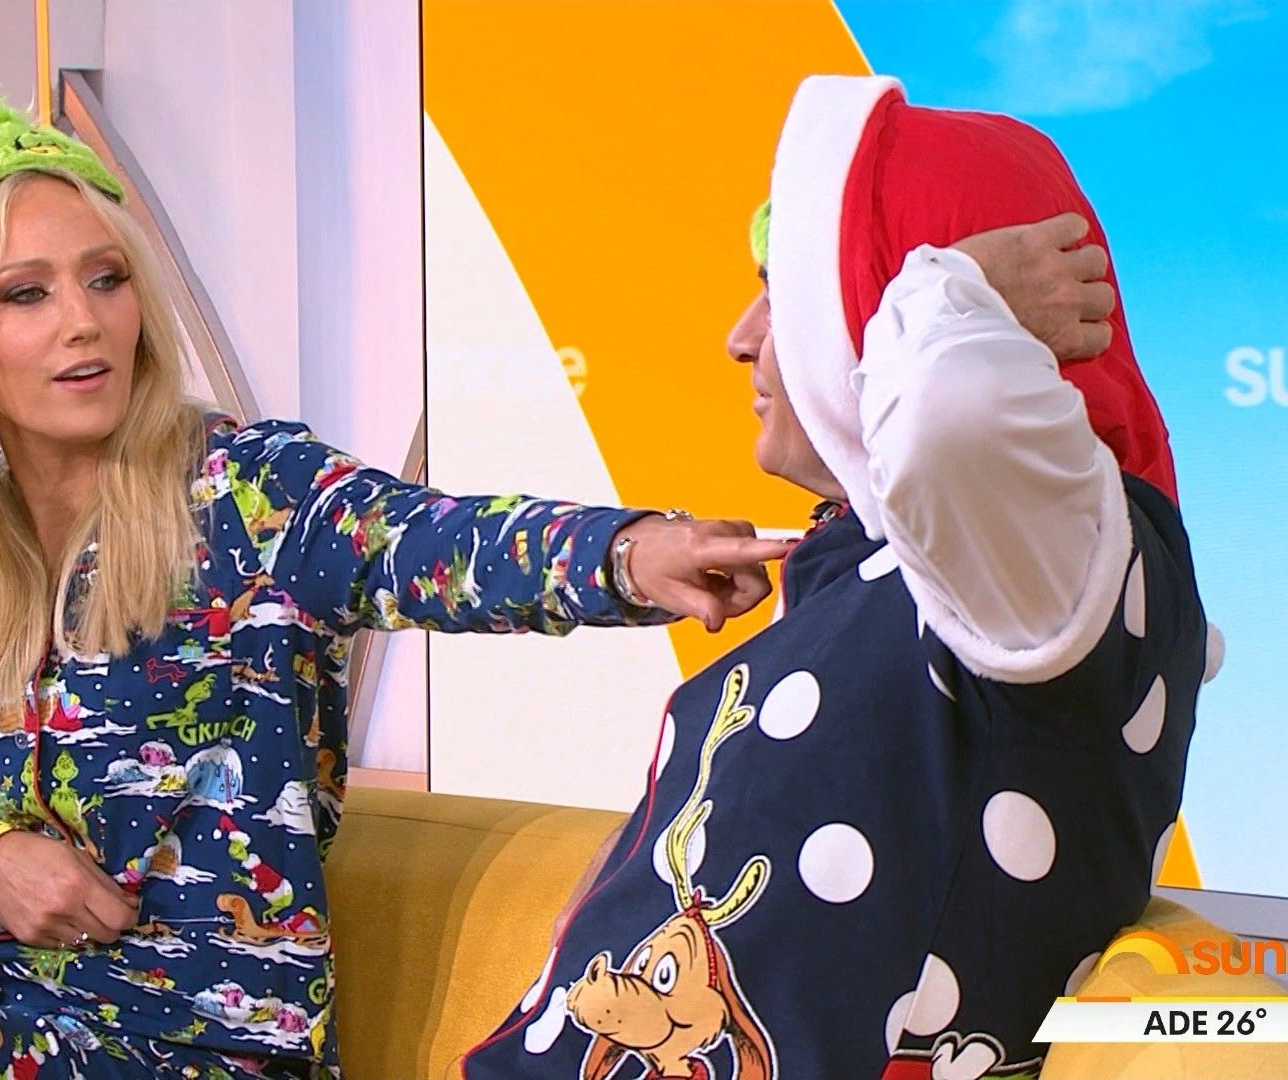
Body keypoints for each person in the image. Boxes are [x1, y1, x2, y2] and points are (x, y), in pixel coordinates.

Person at [0, 87, 795, 1080]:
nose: (84, 322)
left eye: (105, 278)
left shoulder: (248, 493)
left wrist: (632, 553)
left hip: (189, 1053)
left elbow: (432, 542)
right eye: (28, 295)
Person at [462, 74, 1208, 1080]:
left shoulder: (1051, 554)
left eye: (789, 295)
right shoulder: (921, 564)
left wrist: (954, 288)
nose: (741, 338)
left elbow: (953, 416)